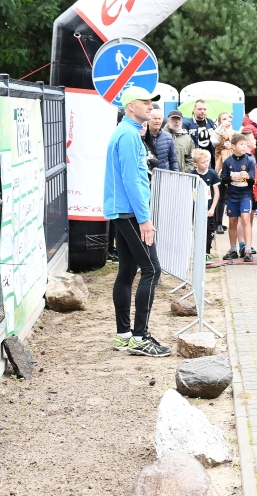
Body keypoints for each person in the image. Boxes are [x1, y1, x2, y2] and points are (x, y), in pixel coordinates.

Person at [104, 87, 170, 357]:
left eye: (151, 104)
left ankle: (124, 335)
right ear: (131, 106)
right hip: (130, 212)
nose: (151, 107)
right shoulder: (129, 135)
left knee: (127, 272)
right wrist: (144, 219)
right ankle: (140, 337)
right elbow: (132, 180)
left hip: (123, 210)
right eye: (146, 103)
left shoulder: (126, 132)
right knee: (152, 269)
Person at [220, 132, 256, 262]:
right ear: (233, 146)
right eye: (241, 144)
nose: (245, 146)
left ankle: (248, 250)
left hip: (245, 195)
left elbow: (253, 181)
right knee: (232, 222)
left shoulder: (250, 161)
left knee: (246, 219)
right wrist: (231, 178)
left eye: (246, 144)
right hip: (232, 196)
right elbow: (223, 180)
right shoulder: (227, 162)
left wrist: (248, 177)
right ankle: (233, 249)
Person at [192, 148, 221, 258]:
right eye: (203, 162)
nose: (206, 163)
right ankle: (198, 252)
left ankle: (207, 253)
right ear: (196, 164)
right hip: (197, 208)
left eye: (207, 161)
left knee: (209, 230)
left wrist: (212, 208)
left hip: (209, 207)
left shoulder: (212, 174)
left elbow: (216, 193)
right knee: (198, 230)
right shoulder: (192, 174)